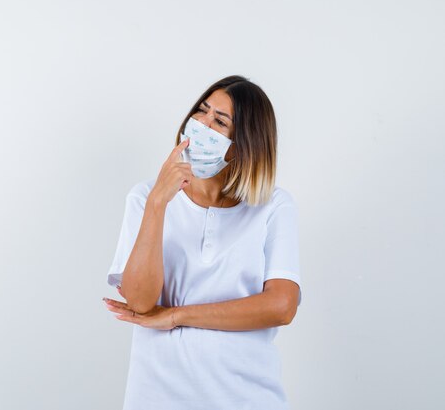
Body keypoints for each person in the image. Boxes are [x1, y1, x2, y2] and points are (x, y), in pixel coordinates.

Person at [102, 75, 302, 410]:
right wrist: (157, 204)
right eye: (202, 110)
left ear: (245, 144)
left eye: (219, 121)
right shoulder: (144, 198)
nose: (201, 124)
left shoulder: (273, 206)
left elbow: (281, 306)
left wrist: (177, 316)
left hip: (246, 398)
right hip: (157, 397)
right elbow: (139, 302)